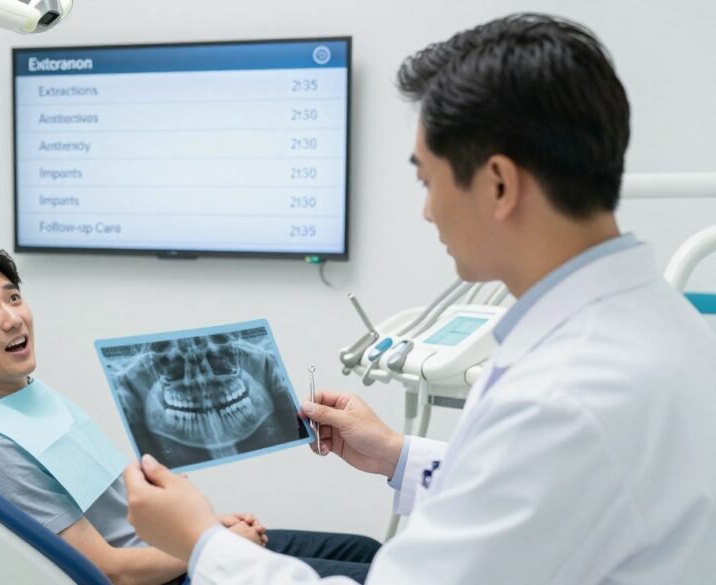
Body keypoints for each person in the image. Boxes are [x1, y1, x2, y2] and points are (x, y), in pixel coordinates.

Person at [122, 13, 716, 584]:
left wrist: (202, 543)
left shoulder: (564, 393)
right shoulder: (661, 324)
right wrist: (397, 455)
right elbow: (536, 502)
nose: (428, 210)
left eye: (427, 181)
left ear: (500, 185)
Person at [0, 241, 381, 585]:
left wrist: (207, 527)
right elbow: (108, 572)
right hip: (157, 576)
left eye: (13, 297)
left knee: (365, 552)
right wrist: (210, 540)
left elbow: (114, 507)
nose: (13, 317)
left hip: (171, 550)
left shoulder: (25, 395)